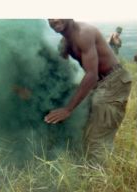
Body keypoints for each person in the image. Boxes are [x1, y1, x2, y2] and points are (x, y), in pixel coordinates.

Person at [45, 19, 132, 164]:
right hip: (99, 83)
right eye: (50, 17)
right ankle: (89, 166)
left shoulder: (83, 33)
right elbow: (58, 70)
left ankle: (100, 182)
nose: (54, 19)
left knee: (97, 139)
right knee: (84, 128)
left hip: (114, 81)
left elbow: (92, 75)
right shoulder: (65, 42)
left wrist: (68, 109)